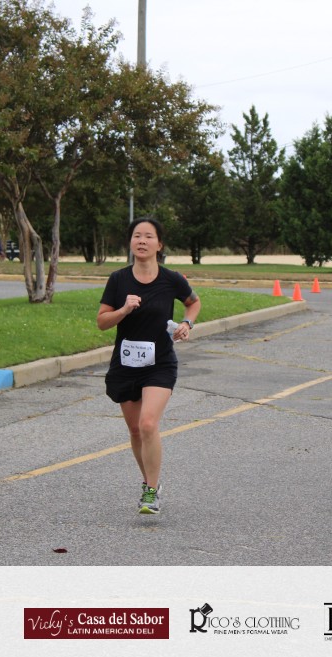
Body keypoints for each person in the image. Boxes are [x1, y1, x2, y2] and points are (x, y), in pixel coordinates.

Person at [96, 217, 200, 515]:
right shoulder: (118, 280)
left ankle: (151, 493)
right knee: (135, 430)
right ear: (130, 243)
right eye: (137, 236)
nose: (142, 241)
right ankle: (149, 483)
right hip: (126, 363)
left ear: (159, 244)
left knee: (148, 424)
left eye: (148, 236)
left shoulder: (171, 279)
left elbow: (193, 303)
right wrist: (124, 309)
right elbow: (102, 322)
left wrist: (186, 323)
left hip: (160, 363)